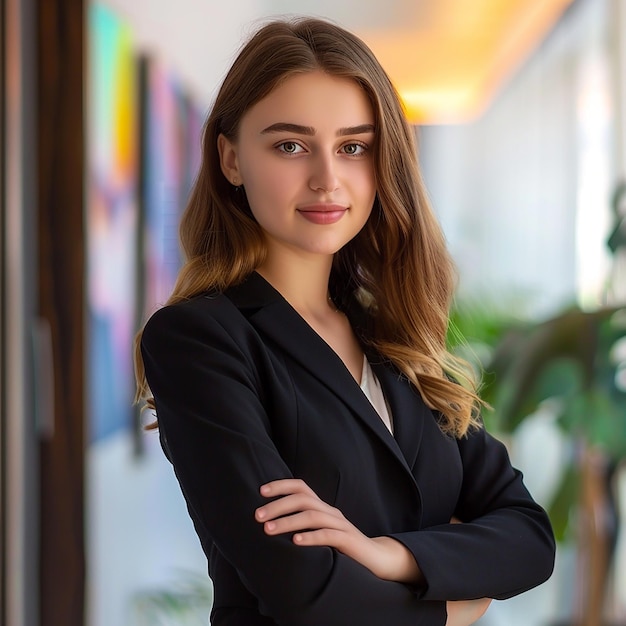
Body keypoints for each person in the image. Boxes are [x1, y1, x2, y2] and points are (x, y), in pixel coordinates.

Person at [135, 17, 555, 626]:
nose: (327, 179)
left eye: (353, 147)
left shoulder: (396, 340)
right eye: (290, 145)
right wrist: (453, 610)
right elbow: (304, 594)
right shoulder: (200, 341)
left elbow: (529, 538)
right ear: (230, 159)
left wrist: (391, 556)